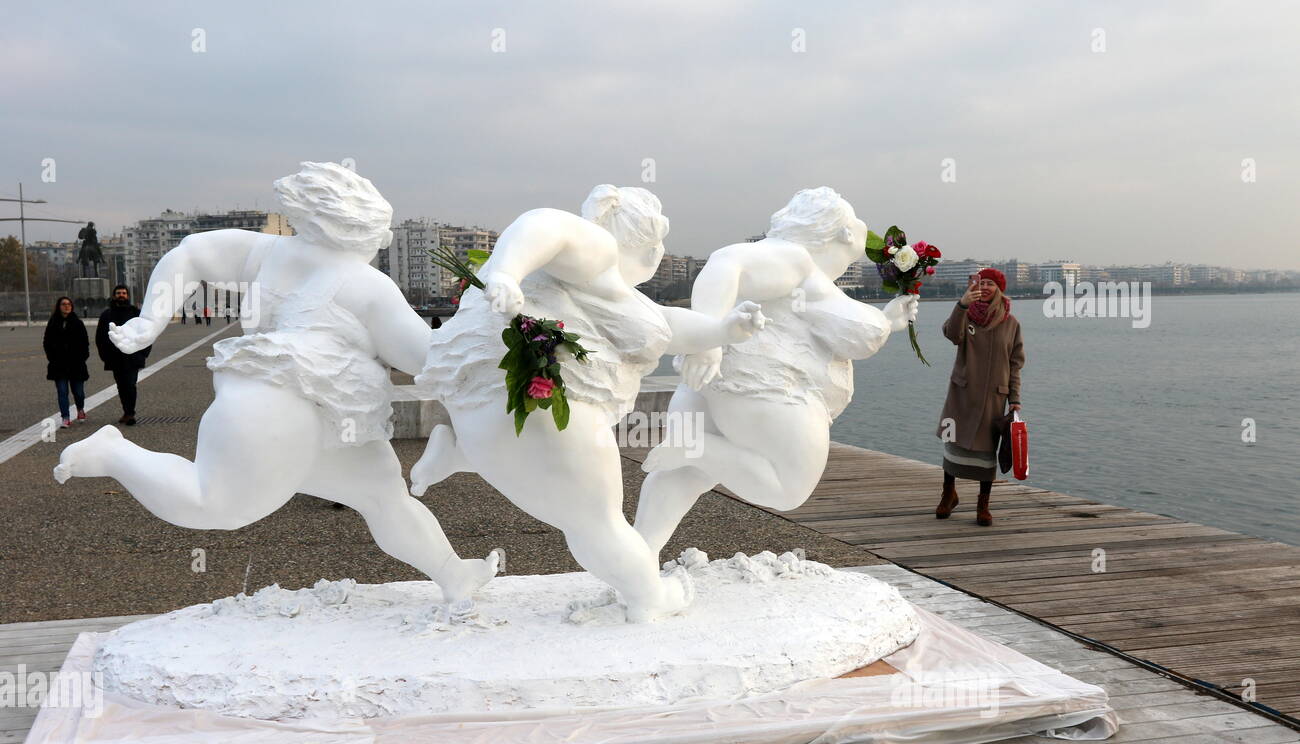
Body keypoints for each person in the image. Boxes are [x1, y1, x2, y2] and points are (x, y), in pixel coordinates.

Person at [55, 162, 499, 605]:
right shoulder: (368, 285)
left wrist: (152, 319)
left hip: (321, 420)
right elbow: (428, 358)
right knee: (217, 504)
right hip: (275, 410)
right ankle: (113, 453)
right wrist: (495, 335)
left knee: (383, 497)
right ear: (358, 229)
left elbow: (190, 252)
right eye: (380, 233)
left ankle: (452, 574)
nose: (383, 242)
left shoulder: (270, 253)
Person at [409, 184, 767, 622]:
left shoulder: (618, 295)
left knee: (577, 507)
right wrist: (504, 271)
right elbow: (543, 224)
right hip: (548, 411)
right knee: (597, 521)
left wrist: (725, 331)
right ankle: (650, 596)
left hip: (485, 420)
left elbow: (670, 326)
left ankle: (458, 452)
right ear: (649, 245)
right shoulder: (598, 251)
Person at [634, 187, 919, 557]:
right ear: (845, 232)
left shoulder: (810, 276)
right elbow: (726, 263)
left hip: (712, 393)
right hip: (762, 392)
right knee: (787, 488)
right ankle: (694, 448)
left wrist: (886, 322)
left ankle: (636, 559)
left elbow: (839, 329)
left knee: (685, 476)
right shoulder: (793, 257)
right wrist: (707, 340)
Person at [935, 267, 1024, 526]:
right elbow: (952, 334)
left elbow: (1015, 364)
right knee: (953, 446)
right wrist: (962, 304)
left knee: (987, 453)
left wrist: (1015, 399)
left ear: (999, 289)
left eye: (990, 284)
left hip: (995, 398)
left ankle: (983, 504)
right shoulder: (965, 316)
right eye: (980, 283)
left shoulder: (1011, 324)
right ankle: (948, 494)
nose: (984, 288)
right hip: (962, 394)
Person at [96, 284, 149, 425]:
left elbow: (146, 333)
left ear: (127, 296)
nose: (121, 295)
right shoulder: (107, 315)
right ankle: (126, 411)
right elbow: (100, 337)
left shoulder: (135, 313)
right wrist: (105, 356)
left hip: (133, 356)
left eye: (124, 293)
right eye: (118, 293)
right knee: (121, 385)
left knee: (130, 384)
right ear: (114, 295)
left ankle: (130, 413)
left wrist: (143, 354)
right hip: (115, 358)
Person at [43, 296, 90, 428]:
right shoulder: (53, 323)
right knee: (62, 392)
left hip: (76, 364)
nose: (66, 306)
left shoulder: (77, 323)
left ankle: (80, 409)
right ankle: (65, 417)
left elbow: (85, 342)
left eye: (69, 304)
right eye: (63, 304)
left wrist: (82, 357)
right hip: (59, 364)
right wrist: (51, 357)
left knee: (78, 392)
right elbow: (46, 342)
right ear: (59, 306)